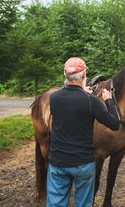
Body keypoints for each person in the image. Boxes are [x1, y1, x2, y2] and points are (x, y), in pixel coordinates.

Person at [47, 57, 120, 207]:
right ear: (84, 75)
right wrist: (108, 100)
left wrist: (81, 92)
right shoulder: (90, 100)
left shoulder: (54, 98)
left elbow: (68, 99)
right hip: (82, 164)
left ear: (65, 75)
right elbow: (114, 124)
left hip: (58, 162)